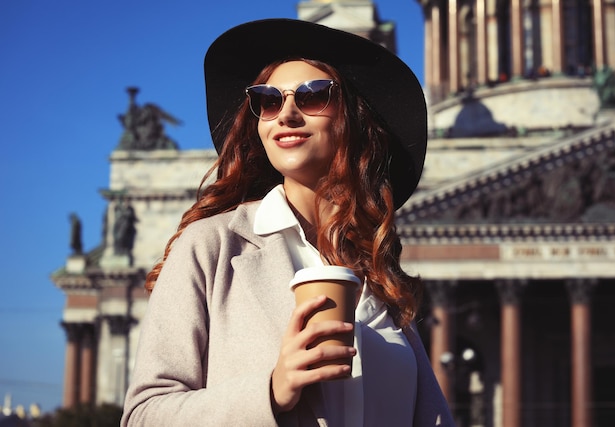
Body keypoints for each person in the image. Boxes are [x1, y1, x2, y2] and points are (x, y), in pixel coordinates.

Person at [121, 18, 455, 427]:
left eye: (314, 96)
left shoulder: (381, 276)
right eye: (268, 100)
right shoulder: (213, 246)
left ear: (356, 118)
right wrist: (272, 391)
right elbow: (143, 416)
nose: (287, 114)